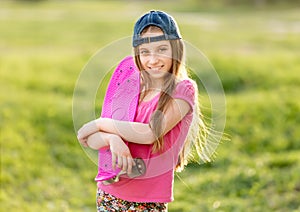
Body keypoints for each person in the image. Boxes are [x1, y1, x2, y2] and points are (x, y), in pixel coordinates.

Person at [77, 10, 209, 212]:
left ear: (176, 50)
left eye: (162, 49)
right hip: (108, 193)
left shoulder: (183, 89)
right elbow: (90, 140)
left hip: (145, 201)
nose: (153, 59)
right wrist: (112, 140)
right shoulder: (129, 86)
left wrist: (100, 123)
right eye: (145, 52)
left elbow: (150, 133)